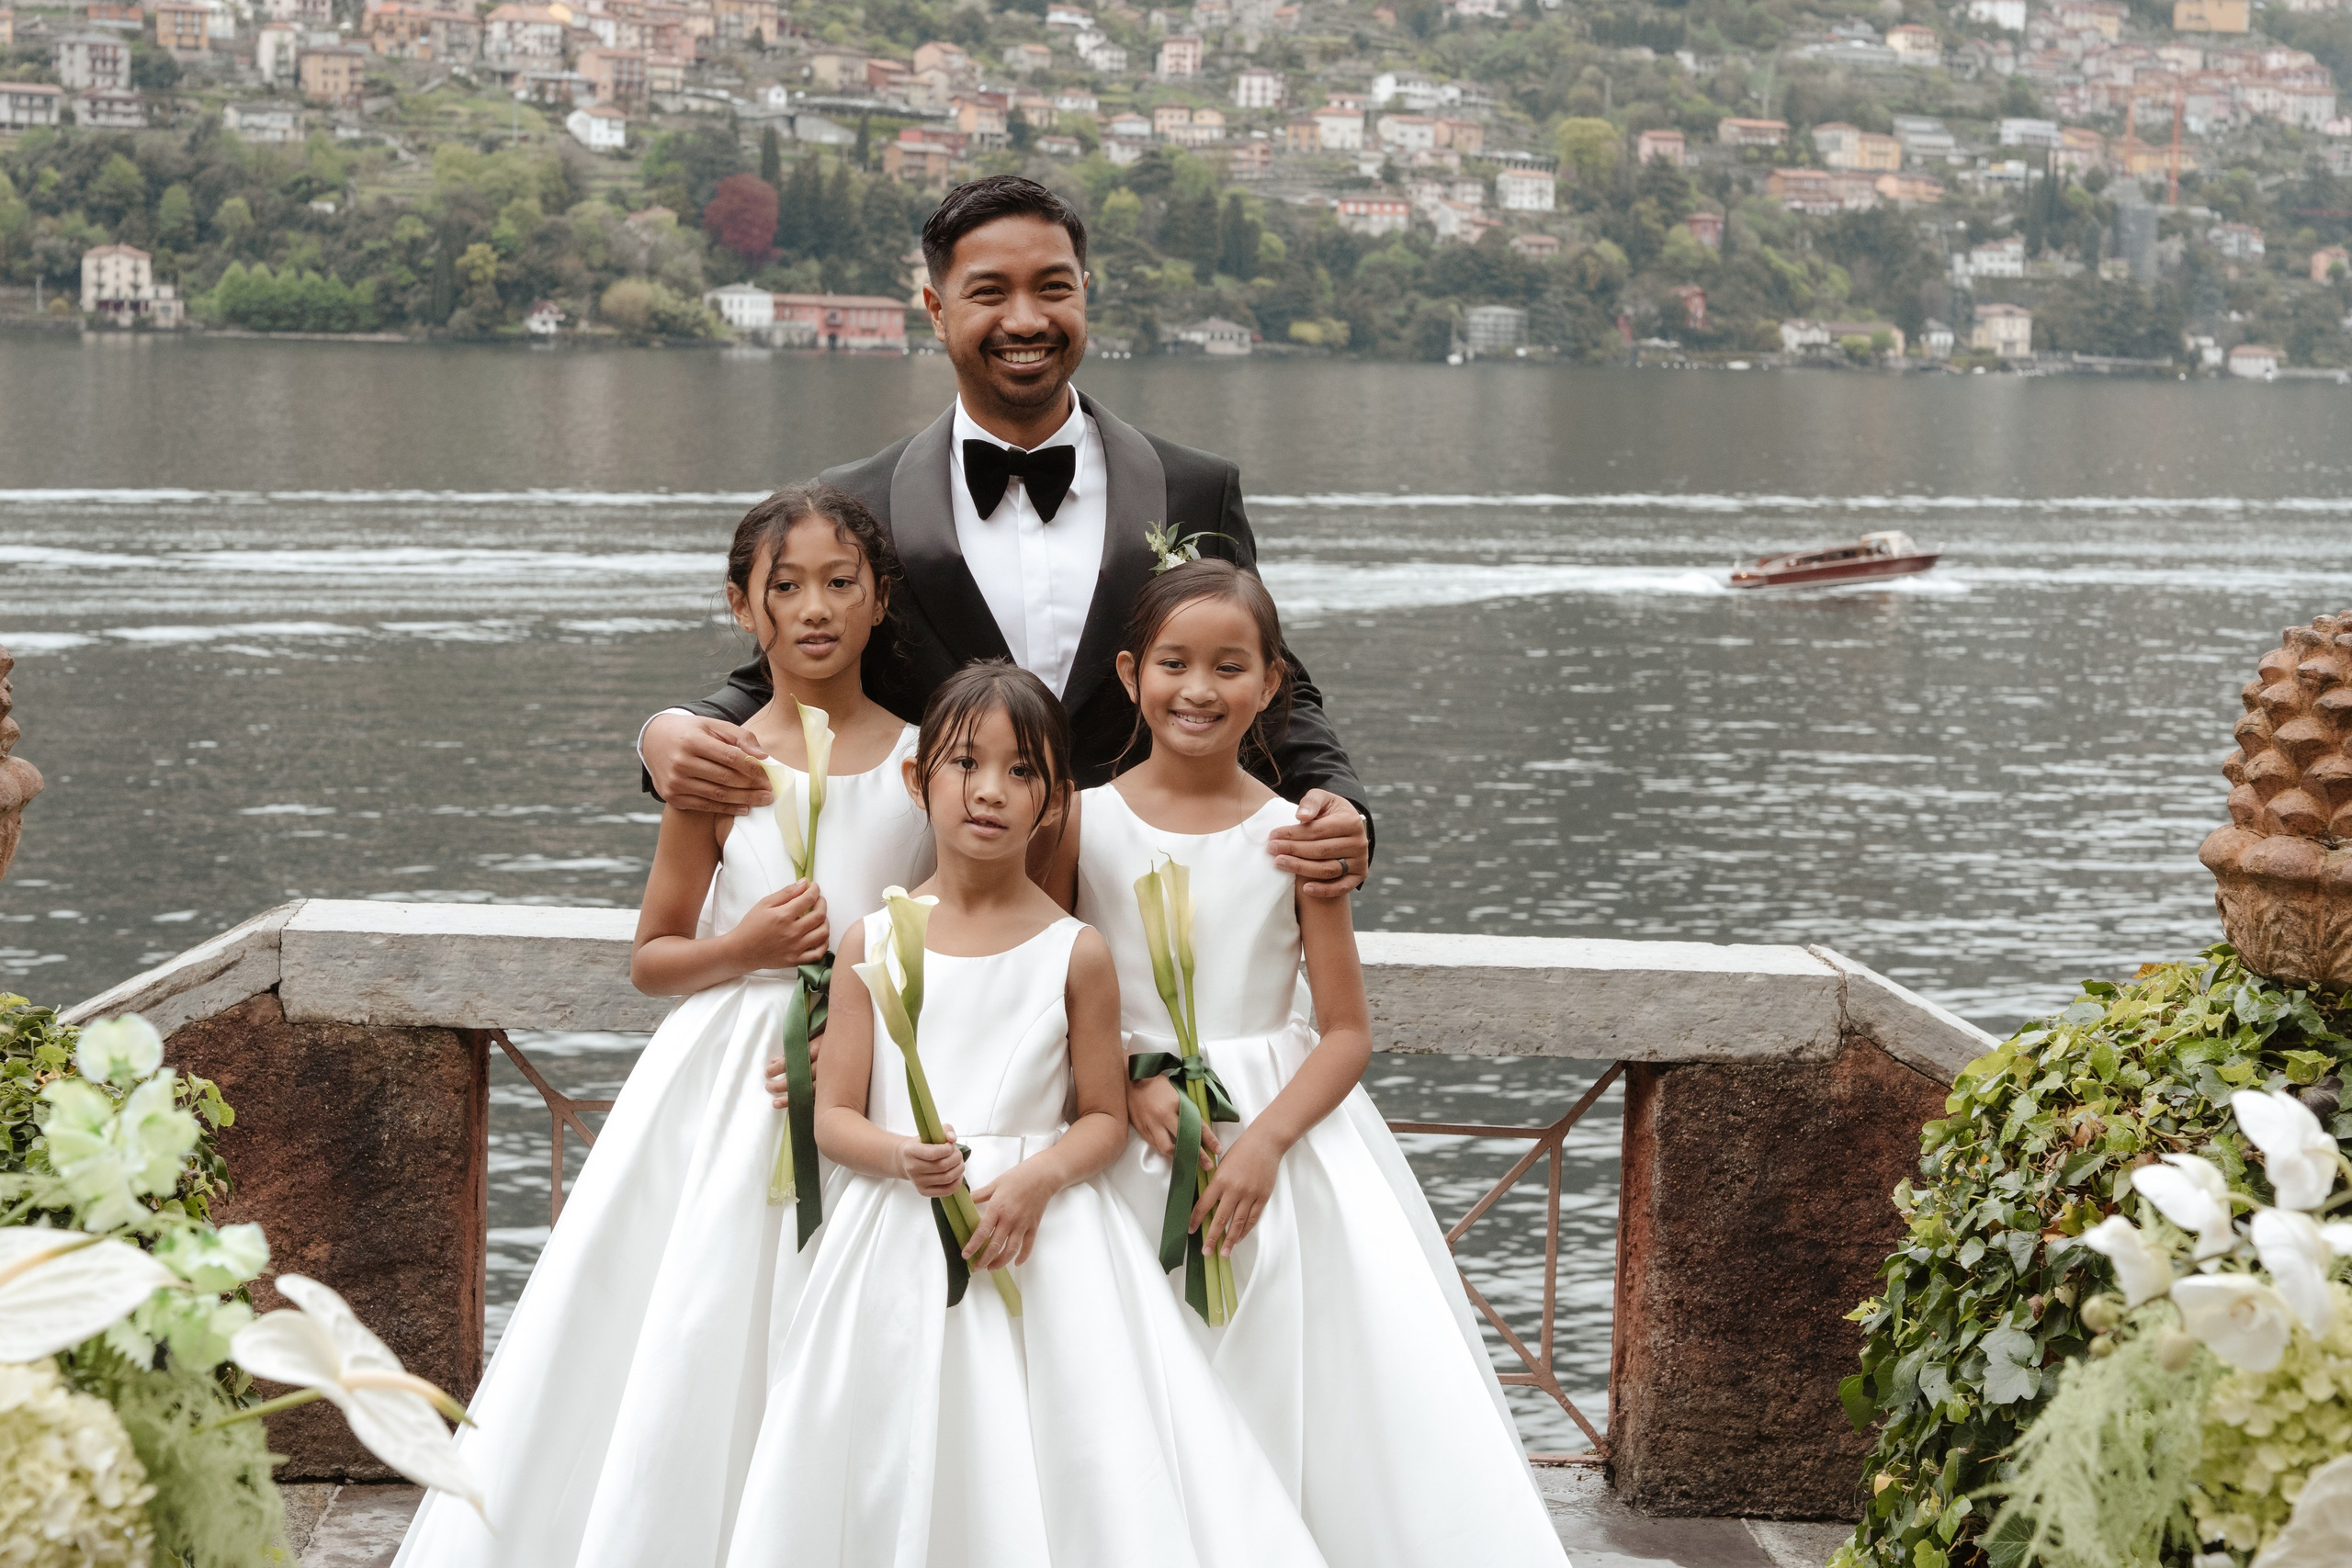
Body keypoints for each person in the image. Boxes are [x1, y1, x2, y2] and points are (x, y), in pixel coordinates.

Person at [394, 485, 934, 1568]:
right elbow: (654, 957)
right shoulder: (715, 765)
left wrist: (870, 998)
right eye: (786, 586)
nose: (815, 608)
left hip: (874, 1067)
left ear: (879, 601)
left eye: (841, 583)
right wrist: (747, 948)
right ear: (741, 605)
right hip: (731, 1078)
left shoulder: (927, 762)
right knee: (704, 1313)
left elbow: (954, 920)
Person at [723, 662, 1328, 1568]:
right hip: (895, 1239)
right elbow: (832, 1117)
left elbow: (1102, 1118)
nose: (990, 792)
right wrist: (899, 1156)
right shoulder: (871, 940)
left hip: (1044, 1240)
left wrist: (1039, 1178)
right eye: (966, 764)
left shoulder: (1075, 950)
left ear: (1053, 802)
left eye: (1021, 772)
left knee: (1064, 1449)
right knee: (892, 1441)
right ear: (918, 779)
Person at [638, 175, 1371, 908]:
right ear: (936, 309)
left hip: (1155, 909)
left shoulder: (1194, 488)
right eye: (990, 292)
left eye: (1052, 288)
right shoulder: (859, 501)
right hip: (947, 927)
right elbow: (789, 669)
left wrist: (1338, 800)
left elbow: (1272, 681)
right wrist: (669, 732)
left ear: (1085, 292)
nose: (1026, 320)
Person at [1043, 560, 1572, 1568]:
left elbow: (1344, 1032)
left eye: (1228, 666)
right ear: (1128, 673)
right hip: (1122, 1135)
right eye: (1173, 664)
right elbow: (1049, 988)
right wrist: (1122, 1074)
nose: (1198, 690)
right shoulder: (1078, 819)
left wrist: (1264, 1147)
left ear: (1271, 682)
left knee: (1286, 1361)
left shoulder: (1300, 837)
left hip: (1278, 1141)